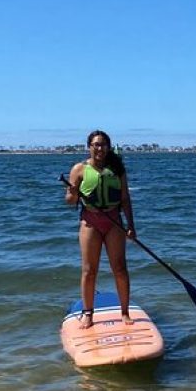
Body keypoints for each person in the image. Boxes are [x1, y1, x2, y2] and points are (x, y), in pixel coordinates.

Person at [65, 130, 136, 329]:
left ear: (108, 147)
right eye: (96, 144)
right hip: (90, 222)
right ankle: (88, 315)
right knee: (89, 271)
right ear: (89, 147)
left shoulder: (117, 169)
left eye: (103, 144)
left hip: (114, 221)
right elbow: (70, 202)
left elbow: (124, 199)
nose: (99, 148)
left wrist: (131, 225)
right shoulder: (79, 169)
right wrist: (73, 193)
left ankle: (124, 312)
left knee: (120, 269)